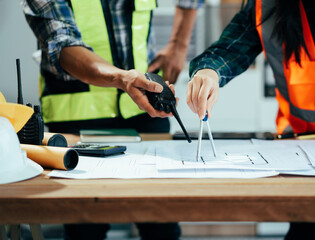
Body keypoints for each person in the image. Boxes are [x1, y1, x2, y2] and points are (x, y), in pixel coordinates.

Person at [186, 0, 315, 239]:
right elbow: (228, 50)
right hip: (303, 156)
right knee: (307, 232)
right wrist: (208, 72)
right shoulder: (268, 5)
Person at [23, 0, 203, 239]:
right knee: (85, 230)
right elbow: (63, 44)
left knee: (162, 226)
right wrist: (122, 78)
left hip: (145, 112)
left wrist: (179, 45)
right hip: (78, 121)